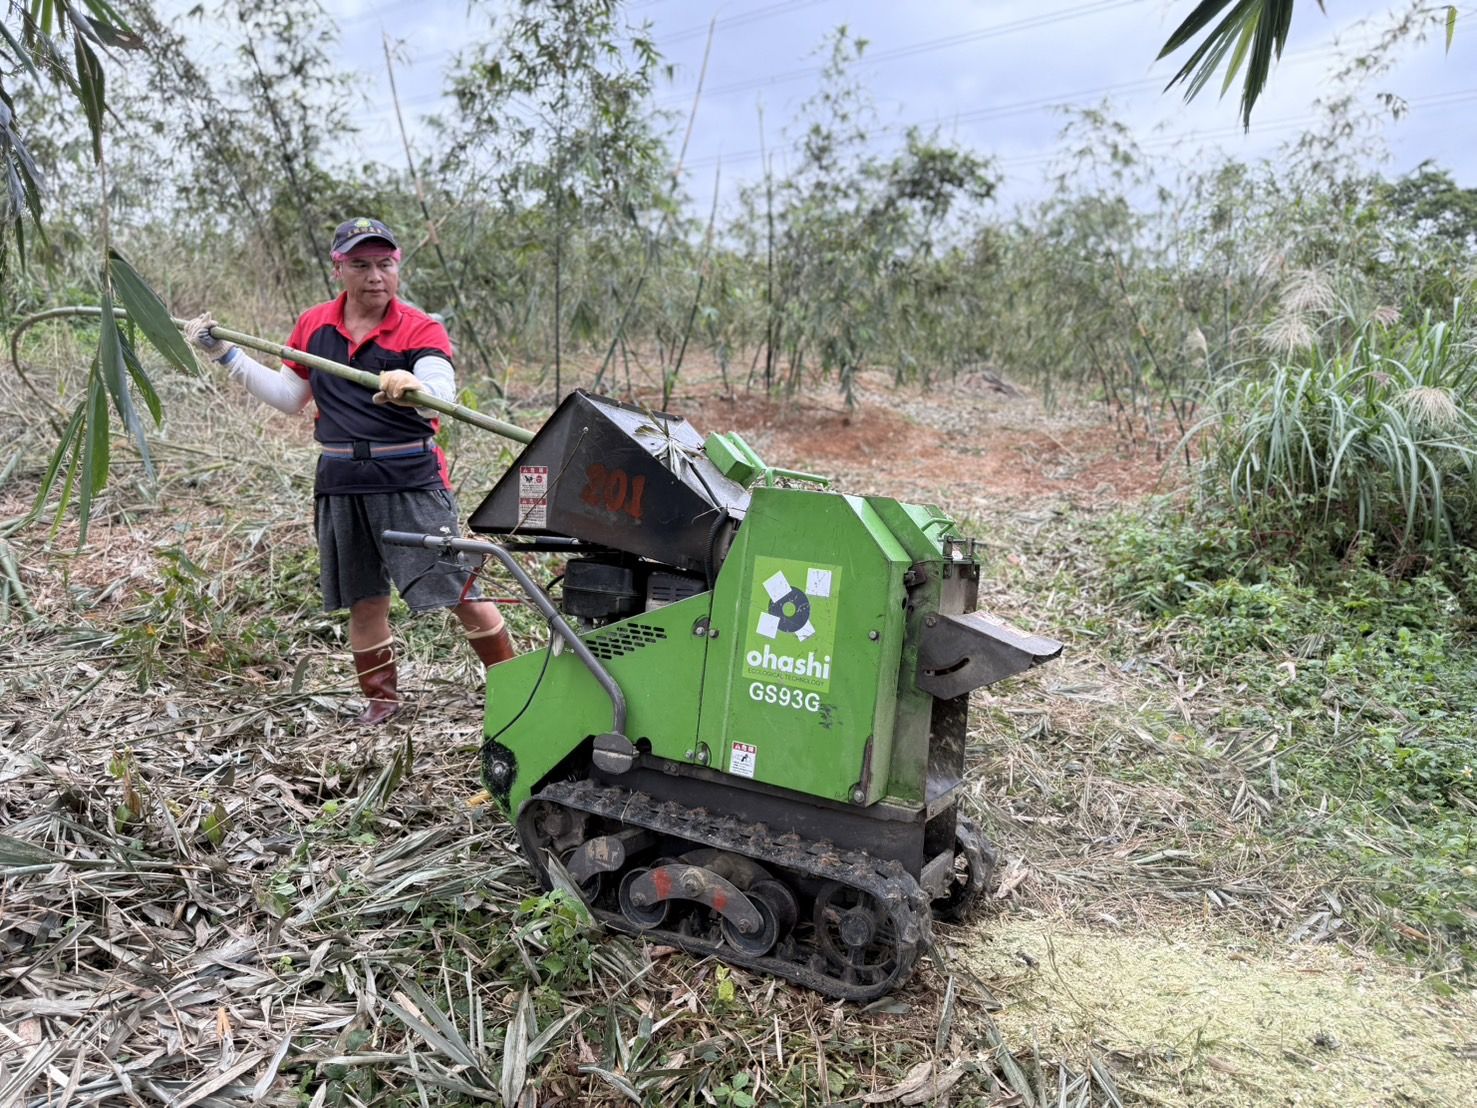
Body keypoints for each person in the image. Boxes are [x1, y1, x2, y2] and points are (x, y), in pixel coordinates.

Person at [184, 217, 513, 725]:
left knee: (458, 590)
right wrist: (227, 356)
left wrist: (413, 387)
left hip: (408, 478)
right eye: (361, 264)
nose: (375, 276)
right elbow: (292, 398)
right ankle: (382, 704)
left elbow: (440, 396)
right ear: (339, 268)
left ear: (397, 265)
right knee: (365, 600)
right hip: (341, 481)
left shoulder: (420, 328)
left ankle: (513, 689)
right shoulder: (314, 325)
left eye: (385, 264)